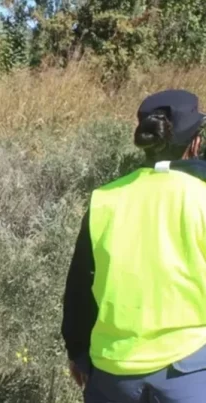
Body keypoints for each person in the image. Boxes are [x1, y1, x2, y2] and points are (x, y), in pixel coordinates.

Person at [61, 89, 206, 403]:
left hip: (112, 374)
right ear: (195, 143)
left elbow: (80, 287)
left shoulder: (104, 199)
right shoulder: (201, 195)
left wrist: (78, 352)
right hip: (189, 370)